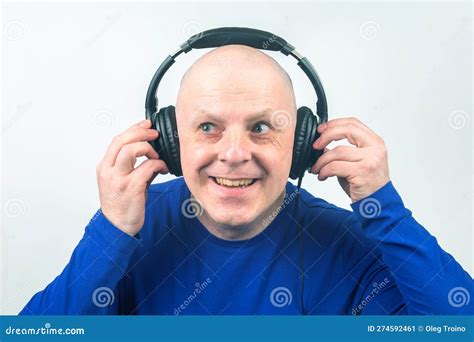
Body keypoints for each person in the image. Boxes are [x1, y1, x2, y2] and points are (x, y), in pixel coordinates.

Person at [20, 45, 473, 315]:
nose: (234, 154)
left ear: (301, 142)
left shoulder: (350, 242)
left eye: (261, 127)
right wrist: (111, 232)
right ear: (172, 141)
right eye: (207, 127)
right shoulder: (129, 230)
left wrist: (386, 211)